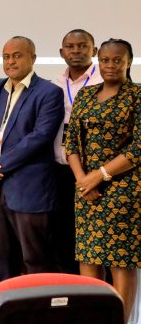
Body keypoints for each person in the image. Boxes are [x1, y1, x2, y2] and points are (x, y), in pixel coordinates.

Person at [0, 36, 64, 282]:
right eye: (6, 57)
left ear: (33, 58)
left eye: (17, 55)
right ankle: (7, 304)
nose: (10, 61)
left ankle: (37, 304)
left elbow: (40, 137)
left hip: (29, 188)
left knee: (35, 257)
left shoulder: (49, 92)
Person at [65, 38, 139, 324]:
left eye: (117, 60)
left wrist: (100, 175)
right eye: (105, 60)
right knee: (89, 258)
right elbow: (71, 143)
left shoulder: (137, 95)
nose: (110, 65)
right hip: (86, 190)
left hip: (124, 190)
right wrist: (83, 181)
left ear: (128, 62)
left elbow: (138, 148)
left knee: (120, 261)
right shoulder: (86, 95)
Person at [51, 29, 101, 274]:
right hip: (60, 169)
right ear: (62, 53)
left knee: (97, 235)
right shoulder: (54, 85)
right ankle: (69, 285)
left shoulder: (105, 81)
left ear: (94, 50)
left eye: (82, 46)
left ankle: (103, 291)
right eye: (70, 47)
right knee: (63, 231)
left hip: (95, 171)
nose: (76, 51)